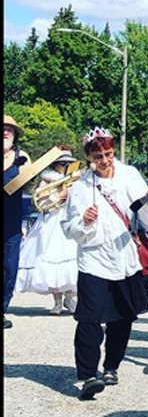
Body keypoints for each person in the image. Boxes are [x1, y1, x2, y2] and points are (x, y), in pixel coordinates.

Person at [61, 127, 148, 400]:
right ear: (88, 158)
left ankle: (111, 366)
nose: (105, 161)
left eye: (108, 154)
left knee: (122, 315)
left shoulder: (128, 174)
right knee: (89, 317)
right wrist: (84, 220)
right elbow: (69, 228)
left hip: (124, 255)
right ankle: (87, 375)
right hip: (93, 258)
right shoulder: (81, 187)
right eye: (98, 157)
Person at [16, 148, 80, 314]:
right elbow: (39, 201)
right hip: (52, 221)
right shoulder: (46, 180)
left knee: (71, 259)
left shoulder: (77, 180)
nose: (65, 166)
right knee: (50, 256)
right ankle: (57, 301)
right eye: (62, 163)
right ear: (55, 165)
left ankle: (69, 298)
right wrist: (57, 196)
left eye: (68, 163)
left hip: (69, 219)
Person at [4, 114, 31, 329]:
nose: (5, 132)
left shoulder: (22, 157)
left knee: (9, 267)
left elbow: (29, 182)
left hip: (11, 222)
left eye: (9, 129)